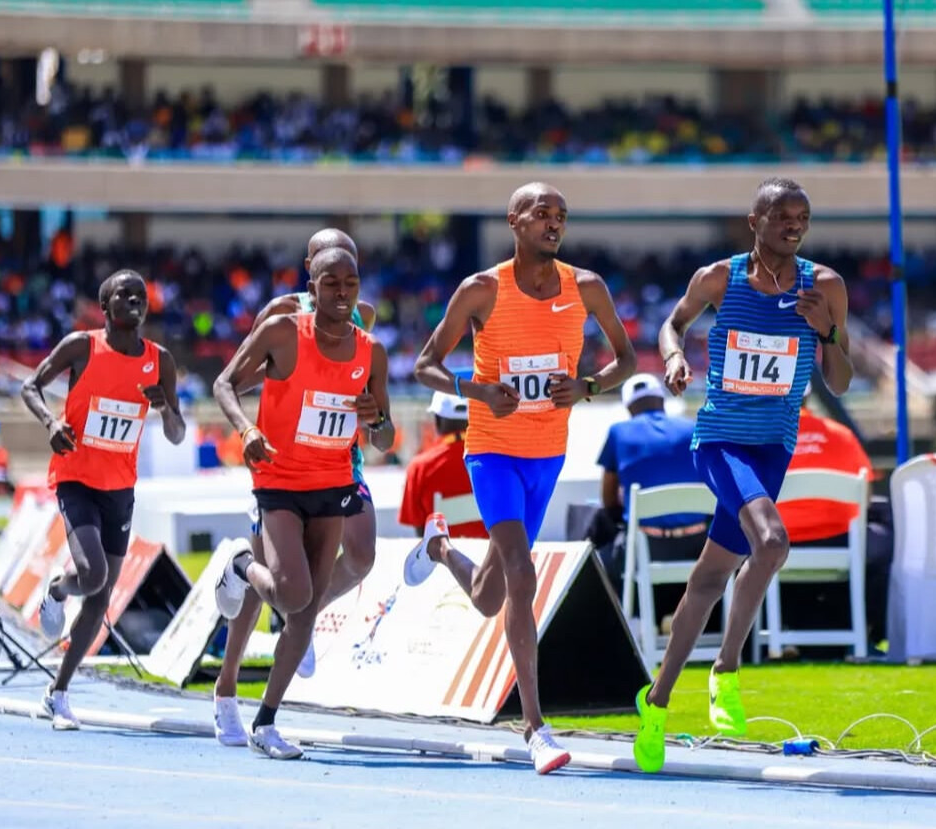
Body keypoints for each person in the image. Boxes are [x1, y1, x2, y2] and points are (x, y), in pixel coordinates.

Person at [404, 182, 637, 774]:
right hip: (492, 450)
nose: (553, 223)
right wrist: (477, 390)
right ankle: (536, 727)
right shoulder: (482, 289)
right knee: (520, 570)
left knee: (490, 597)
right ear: (514, 220)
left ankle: (439, 548)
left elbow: (627, 361)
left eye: (561, 215)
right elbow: (425, 365)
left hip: (547, 453)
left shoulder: (586, 287)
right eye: (541, 213)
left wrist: (586, 386)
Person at [633, 177, 853, 773]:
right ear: (754, 221)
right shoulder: (719, 278)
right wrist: (674, 356)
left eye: (802, 218)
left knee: (709, 579)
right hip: (720, 440)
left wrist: (827, 331)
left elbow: (840, 381)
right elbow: (672, 324)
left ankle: (656, 701)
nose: (794, 226)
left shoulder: (825, 286)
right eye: (782, 216)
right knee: (772, 542)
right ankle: (726, 669)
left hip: (773, 448)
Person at [211, 246, 395, 759]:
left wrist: (376, 418)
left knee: (306, 608)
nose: (342, 292)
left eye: (350, 282)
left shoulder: (372, 349)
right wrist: (247, 429)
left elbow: (384, 438)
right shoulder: (282, 327)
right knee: (290, 595)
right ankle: (241, 568)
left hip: (334, 481)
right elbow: (227, 382)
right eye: (330, 281)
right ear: (311, 285)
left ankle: (267, 721)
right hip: (278, 478)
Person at [21, 269, 187, 730]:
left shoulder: (160, 361)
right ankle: (58, 590)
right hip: (76, 478)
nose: (134, 300)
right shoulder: (83, 346)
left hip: (120, 489)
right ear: (105, 305)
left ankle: (58, 693)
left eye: (141, 295)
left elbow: (177, 434)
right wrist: (52, 423)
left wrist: (165, 408)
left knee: (99, 598)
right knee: (92, 575)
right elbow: (30, 386)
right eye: (124, 294)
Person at [778, 399, 892, 653]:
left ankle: (760, 642)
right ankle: (870, 631)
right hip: (841, 544)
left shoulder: (757, 442)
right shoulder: (841, 435)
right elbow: (865, 498)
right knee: (883, 543)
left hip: (779, 548)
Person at [590, 373, 706, 602]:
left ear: (628, 407)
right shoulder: (693, 428)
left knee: (599, 559)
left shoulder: (618, 432)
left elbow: (608, 499)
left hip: (648, 550)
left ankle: (628, 622)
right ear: (661, 400)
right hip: (699, 547)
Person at [398, 390, 486, 539]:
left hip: (443, 552)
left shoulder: (419, 467)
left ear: (437, 421)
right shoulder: (495, 461)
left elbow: (418, 526)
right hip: (489, 551)